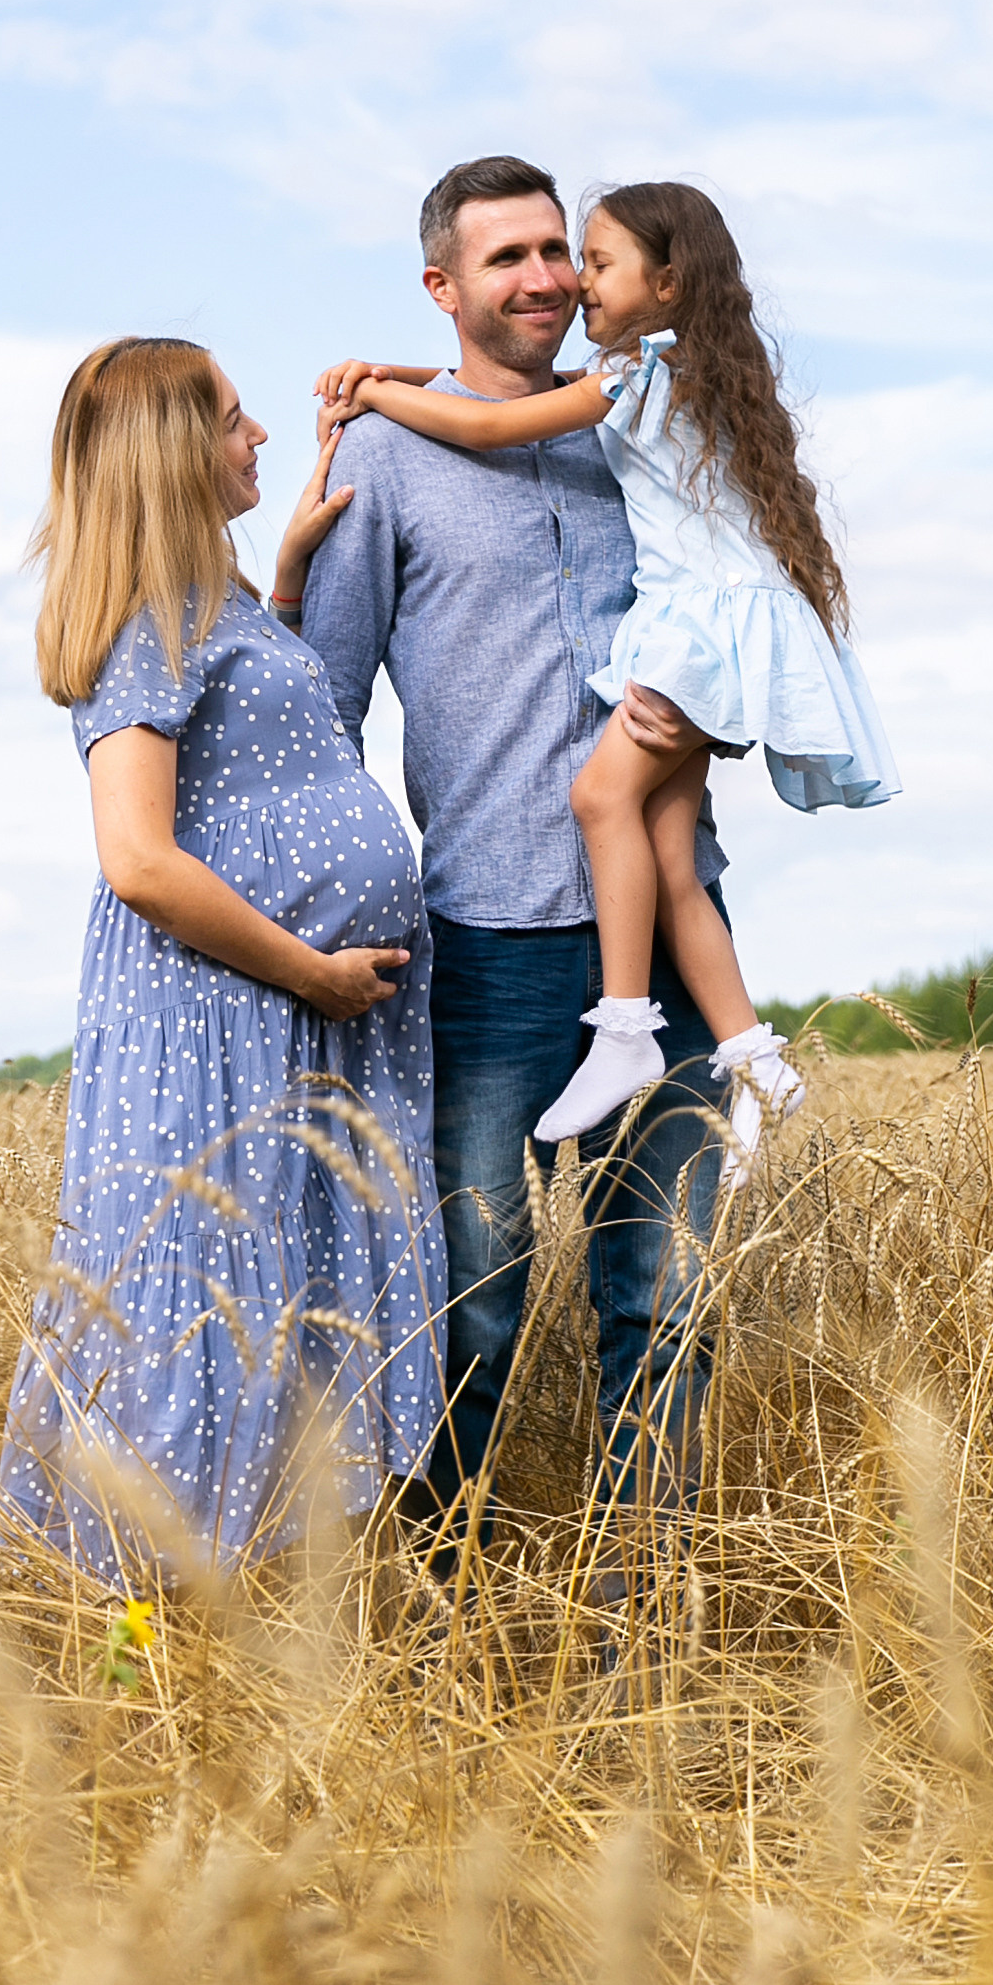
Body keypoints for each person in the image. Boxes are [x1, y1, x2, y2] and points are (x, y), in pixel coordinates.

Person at [298, 157, 731, 1550]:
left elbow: (732, 598)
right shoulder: (383, 452)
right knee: (469, 1299)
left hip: (665, 936)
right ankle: (431, 1605)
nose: (544, 276)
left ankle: (639, 1623)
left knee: (663, 1297)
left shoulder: (639, 430)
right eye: (507, 260)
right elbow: (324, 705)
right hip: (480, 942)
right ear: (443, 287)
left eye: (559, 250)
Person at [0, 336, 444, 1585]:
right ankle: (158, 1638)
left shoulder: (222, 605)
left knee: (287, 1313)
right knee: (210, 1318)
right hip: (235, 1017)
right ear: (171, 452)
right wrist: (309, 972)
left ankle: (280, 1630)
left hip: (304, 1017)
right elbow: (138, 858)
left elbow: (262, 761)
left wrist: (290, 577)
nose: (259, 441)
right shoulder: (142, 620)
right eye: (238, 421)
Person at [339, 178, 890, 1153]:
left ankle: (628, 1024)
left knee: (602, 801)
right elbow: (516, 406)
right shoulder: (671, 371)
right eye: (518, 258)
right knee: (667, 858)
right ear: (445, 283)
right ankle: (753, 1054)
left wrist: (378, 389)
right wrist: (403, 380)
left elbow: (491, 425)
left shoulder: (628, 381)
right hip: (515, 886)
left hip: (689, 642)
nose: (567, 281)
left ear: (665, 281)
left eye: (584, 259)